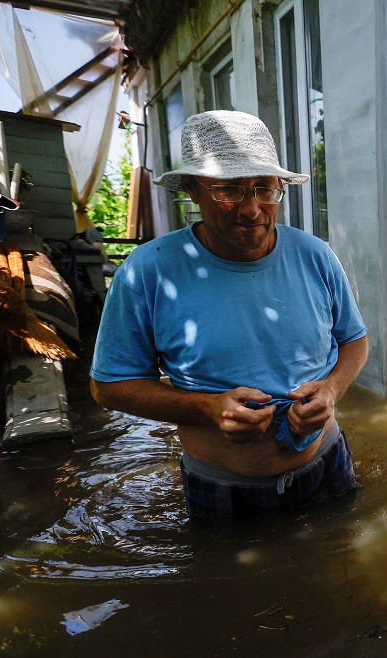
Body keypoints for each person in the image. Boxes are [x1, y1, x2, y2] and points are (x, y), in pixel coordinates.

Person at [90, 110, 368, 520]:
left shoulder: (314, 256)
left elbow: (354, 340)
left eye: (264, 189)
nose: (252, 209)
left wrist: (331, 390)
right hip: (221, 484)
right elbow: (109, 386)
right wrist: (208, 407)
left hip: (326, 458)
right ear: (192, 189)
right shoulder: (148, 272)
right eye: (230, 191)